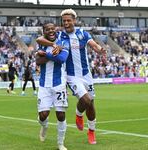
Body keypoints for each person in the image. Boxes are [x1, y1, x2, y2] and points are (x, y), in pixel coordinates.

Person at [36, 9, 107, 144]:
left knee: (91, 103)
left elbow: (93, 44)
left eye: (69, 20)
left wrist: (99, 49)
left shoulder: (82, 34)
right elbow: (39, 39)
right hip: (71, 76)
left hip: (86, 74)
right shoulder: (59, 35)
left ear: (74, 20)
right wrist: (52, 45)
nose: (66, 23)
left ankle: (91, 131)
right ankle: (79, 114)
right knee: (85, 100)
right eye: (64, 21)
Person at [36, 22, 69, 150]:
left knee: (60, 115)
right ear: (44, 31)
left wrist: (47, 55)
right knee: (43, 115)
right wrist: (54, 54)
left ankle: (60, 144)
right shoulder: (41, 44)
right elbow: (38, 61)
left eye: (52, 29)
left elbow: (62, 59)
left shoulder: (63, 42)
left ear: (55, 30)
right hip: (44, 85)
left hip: (59, 83)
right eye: (47, 29)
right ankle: (44, 126)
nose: (50, 31)